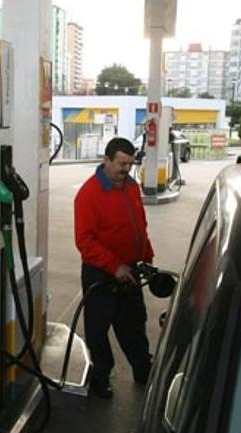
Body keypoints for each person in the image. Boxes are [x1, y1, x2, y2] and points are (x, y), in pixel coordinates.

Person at [74, 137, 155, 399]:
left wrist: (146, 252)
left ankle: (143, 369)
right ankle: (100, 378)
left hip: (129, 270)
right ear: (106, 160)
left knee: (133, 323)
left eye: (130, 164)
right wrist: (114, 266)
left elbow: (139, 224)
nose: (126, 169)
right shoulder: (89, 194)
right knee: (99, 329)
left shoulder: (131, 187)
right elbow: (85, 242)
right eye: (121, 163)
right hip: (100, 273)